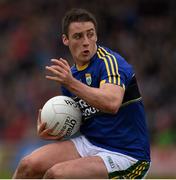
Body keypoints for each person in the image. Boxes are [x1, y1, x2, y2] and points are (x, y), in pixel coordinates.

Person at [13, 8, 151, 179]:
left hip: (127, 155)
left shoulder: (110, 62)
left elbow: (112, 103)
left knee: (57, 174)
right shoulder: (72, 76)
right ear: (66, 40)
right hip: (89, 144)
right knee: (28, 165)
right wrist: (55, 131)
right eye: (78, 36)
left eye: (90, 34)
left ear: (96, 36)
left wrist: (71, 83)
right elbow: (79, 123)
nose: (86, 41)